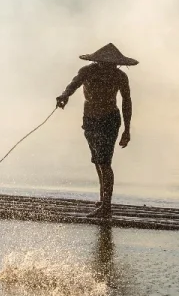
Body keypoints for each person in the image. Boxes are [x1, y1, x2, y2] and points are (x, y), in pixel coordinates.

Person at [56, 43, 136, 219]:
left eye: (113, 65)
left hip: (109, 120)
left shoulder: (120, 76)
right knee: (98, 161)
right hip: (90, 119)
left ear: (117, 64)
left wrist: (127, 129)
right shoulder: (87, 71)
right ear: (98, 62)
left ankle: (106, 206)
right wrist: (64, 96)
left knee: (105, 162)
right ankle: (103, 199)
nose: (109, 67)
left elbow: (126, 101)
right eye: (106, 64)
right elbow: (73, 85)